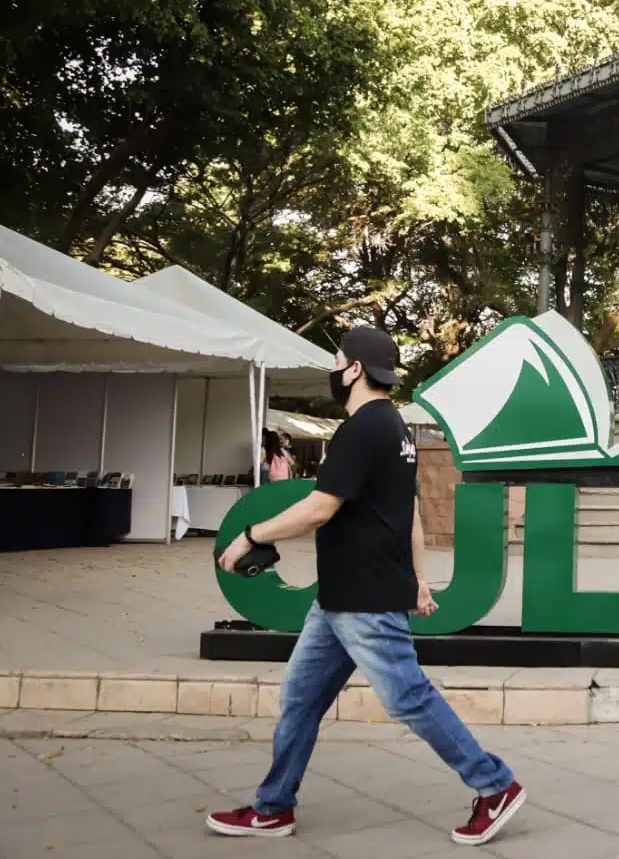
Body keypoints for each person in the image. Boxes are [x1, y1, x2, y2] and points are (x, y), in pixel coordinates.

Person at [209, 327, 524, 847]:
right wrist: (419, 580)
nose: (334, 369)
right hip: (338, 599)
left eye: (338, 360)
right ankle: (273, 808)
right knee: (301, 700)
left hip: (364, 599)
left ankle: (495, 785)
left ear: (354, 369)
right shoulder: (395, 429)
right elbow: (409, 515)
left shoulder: (361, 430)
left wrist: (249, 535)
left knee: (408, 698)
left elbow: (320, 507)